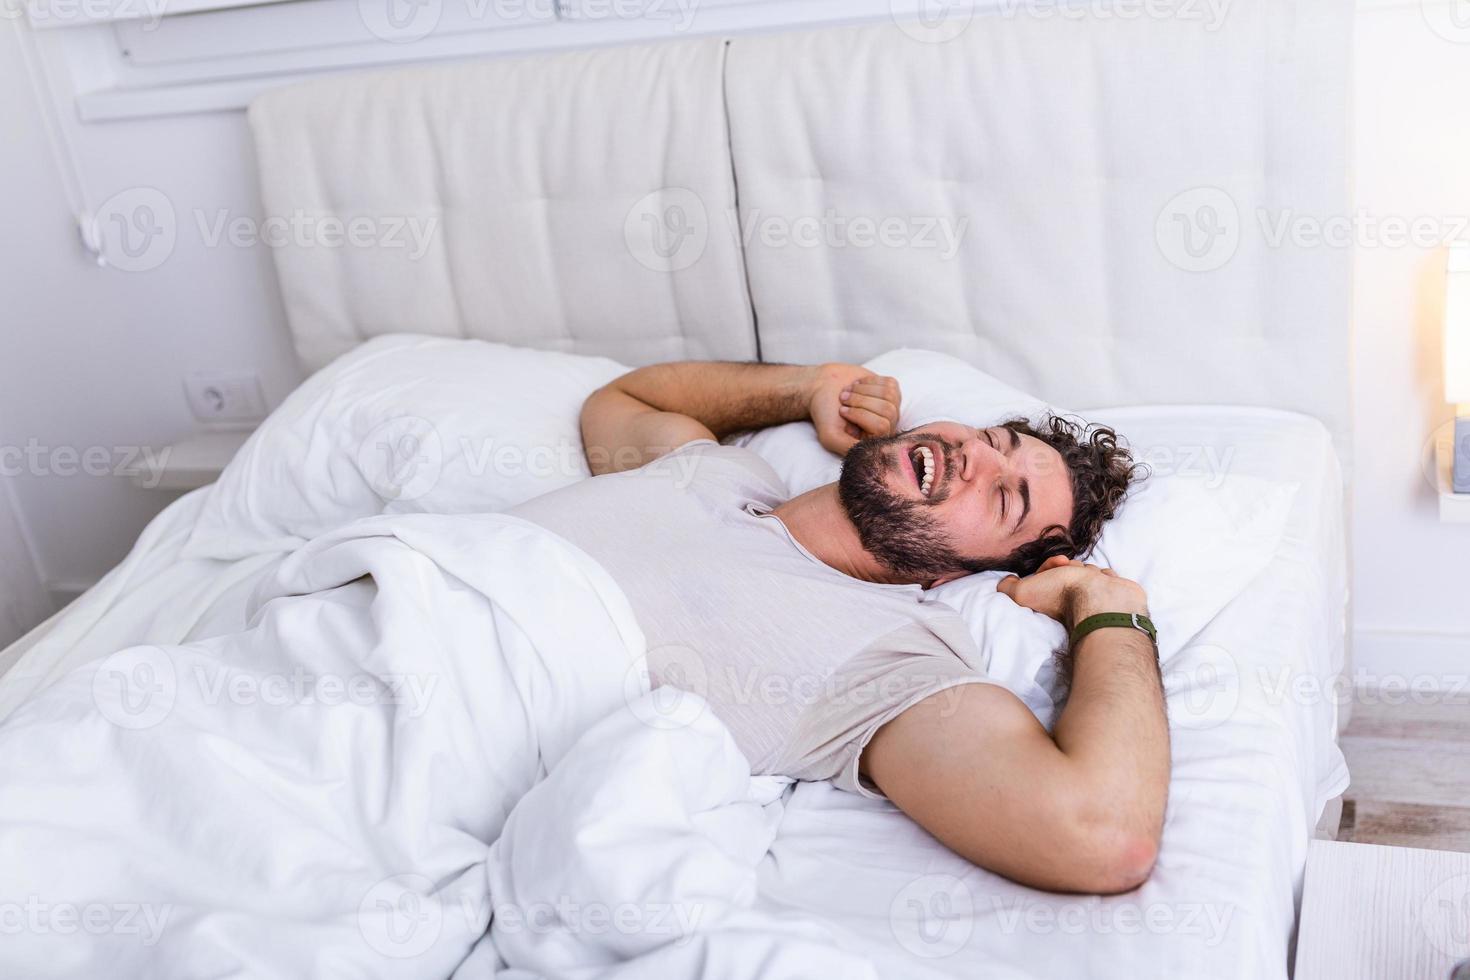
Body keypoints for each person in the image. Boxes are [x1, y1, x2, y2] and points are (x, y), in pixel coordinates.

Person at [507, 360, 1168, 894]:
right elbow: (621, 400)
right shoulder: (724, 473)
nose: (974, 459)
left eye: (1004, 498)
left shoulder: (889, 655)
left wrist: (1108, 607)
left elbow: (1106, 839)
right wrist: (815, 387)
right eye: (991, 442)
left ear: (962, 575)